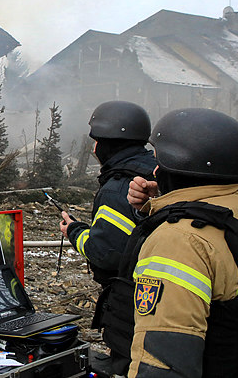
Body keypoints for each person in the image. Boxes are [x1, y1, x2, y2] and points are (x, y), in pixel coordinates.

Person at [119, 108, 238, 377]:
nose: (155, 170)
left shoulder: (179, 241)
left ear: (179, 164)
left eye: (159, 161)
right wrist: (163, 202)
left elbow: (164, 363)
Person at [58, 100, 156, 374]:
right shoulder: (154, 171)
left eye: (97, 142)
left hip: (131, 300)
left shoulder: (117, 188)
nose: (93, 149)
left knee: (129, 364)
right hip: (156, 294)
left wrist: (73, 230)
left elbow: (106, 253)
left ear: (108, 144)